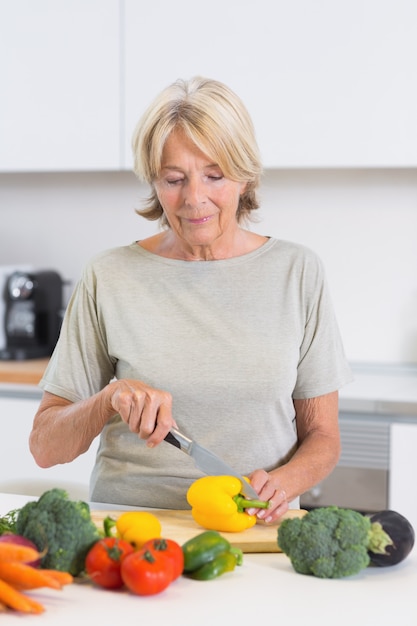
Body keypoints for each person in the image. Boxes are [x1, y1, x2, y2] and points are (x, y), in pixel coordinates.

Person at [29, 76, 353, 523]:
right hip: (131, 528)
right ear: (154, 183)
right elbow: (45, 446)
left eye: (214, 176)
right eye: (174, 179)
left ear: (245, 175)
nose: (194, 200)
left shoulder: (298, 272)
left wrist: (288, 482)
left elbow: (324, 436)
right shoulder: (109, 275)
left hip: (254, 528)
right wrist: (110, 397)